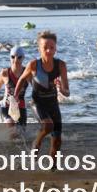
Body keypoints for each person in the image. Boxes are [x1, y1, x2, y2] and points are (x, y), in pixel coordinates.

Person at [14, 31, 69, 159]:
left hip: (53, 104)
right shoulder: (34, 65)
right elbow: (22, 79)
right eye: (45, 47)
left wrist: (61, 89)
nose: (49, 51)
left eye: (52, 47)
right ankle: (36, 142)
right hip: (38, 102)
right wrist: (15, 97)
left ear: (56, 48)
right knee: (48, 125)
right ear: (39, 48)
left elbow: (67, 92)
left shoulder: (61, 65)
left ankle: (53, 169)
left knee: (57, 141)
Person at [0, 46, 29, 127]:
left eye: (19, 57)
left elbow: (37, 86)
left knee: (21, 135)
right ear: (10, 57)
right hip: (6, 106)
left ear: (23, 58)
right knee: (10, 124)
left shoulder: (27, 73)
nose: (15, 60)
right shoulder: (4, 73)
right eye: (13, 57)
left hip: (21, 107)